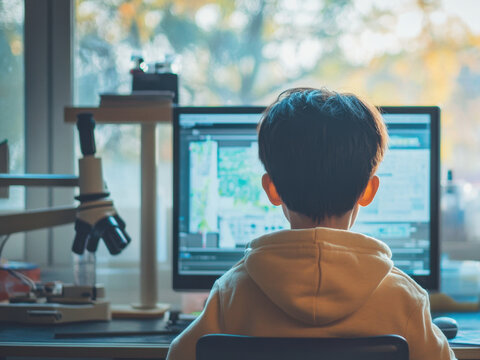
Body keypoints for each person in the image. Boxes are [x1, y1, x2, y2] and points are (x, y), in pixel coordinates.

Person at [167, 88, 455, 360]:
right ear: (368, 191)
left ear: (272, 189)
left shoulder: (229, 295)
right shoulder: (405, 300)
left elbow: (177, 355)